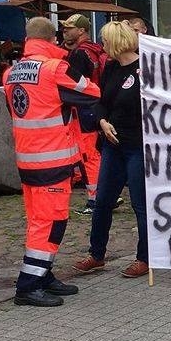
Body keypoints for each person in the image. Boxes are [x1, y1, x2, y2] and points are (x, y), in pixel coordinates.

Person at [4, 16, 100, 307]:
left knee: (38, 220)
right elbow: (90, 92)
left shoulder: (11, 72)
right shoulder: (54, 68)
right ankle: (29, 283)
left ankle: (43, 275)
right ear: (52, 39)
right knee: (50, 222)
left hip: (27, 158)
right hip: (52, 160)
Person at [72, 21, 149, 280]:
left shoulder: (145, 69)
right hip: (113, 145)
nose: (102, 46)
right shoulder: (112, 67)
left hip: (138, 146)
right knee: (103, 200)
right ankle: (97, 253)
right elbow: (102, 101)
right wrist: (102, 121)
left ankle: (144, 257)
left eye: (105, 41)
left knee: (140, 204)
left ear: (115, 42)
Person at [62, 14, 107, 214]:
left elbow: (74, 86)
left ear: (81, 31)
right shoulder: (96, 50)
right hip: (98, 106)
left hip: (84, 109)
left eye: (69, 28)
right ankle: (102, 195)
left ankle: (95, 199)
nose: (64, 31)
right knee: (96, 153)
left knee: (89, 155)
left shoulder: (79, 54)